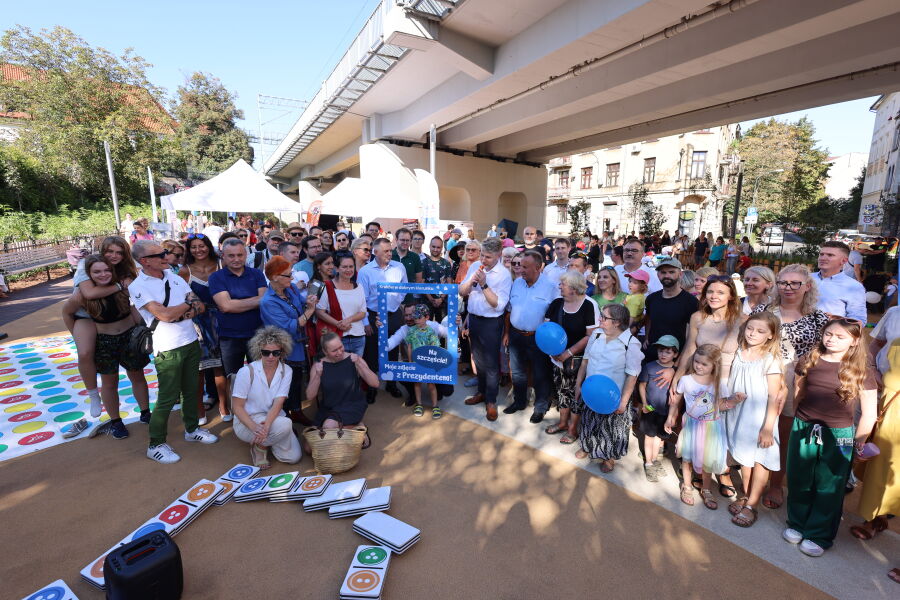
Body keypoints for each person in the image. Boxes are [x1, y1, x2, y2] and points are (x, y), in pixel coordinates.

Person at [784, 318, 877, 556]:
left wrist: (859, 443)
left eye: (840, 337)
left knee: (830, 485)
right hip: (804, 427)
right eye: (829, 334)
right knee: (799, 477)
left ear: (855, 341)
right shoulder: (809, 359)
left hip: (840, 435)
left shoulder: (861, 372)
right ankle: (797, 523)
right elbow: (798, 391)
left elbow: (869, 414)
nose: (832, 339)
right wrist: (799, 419)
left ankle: (819, 534)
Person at [130, 240, 218, 464]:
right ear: (144, 261)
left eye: (165, 252)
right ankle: (155, 444)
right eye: (160, 253)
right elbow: (166, 315)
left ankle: (191, 429)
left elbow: (200, 306)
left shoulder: (175, 277)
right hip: (167, 348)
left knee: (191, 390)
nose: (166, 255)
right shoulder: (138, 286)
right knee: (167, 398)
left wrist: (176, 312)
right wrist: (183, 308)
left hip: (190, 341)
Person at [671, 274, 746, 498]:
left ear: (731, 295)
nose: (714, 296)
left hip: (727, 383)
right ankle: (696, 470)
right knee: (700, 430)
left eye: (720, 292)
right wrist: (678, 375)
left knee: (724, 433)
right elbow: (690, 349)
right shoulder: (697, 317)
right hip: (701, 383)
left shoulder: (743, 320)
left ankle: (722, 473)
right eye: (710, 291)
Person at [61, 255, 151, 439]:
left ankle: (145, 412)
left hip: (128, 338)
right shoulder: (83, 295)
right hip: (105, 341)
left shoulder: (123, 287)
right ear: (88, 274)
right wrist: (75, 334)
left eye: (107, 270)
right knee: (110, 383)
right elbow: (67, 312)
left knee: (138, 376)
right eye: (97, 272)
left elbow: (136, 307)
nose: (103, 274)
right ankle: (116, 421)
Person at [724, 312, 784, 527]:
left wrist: (768, 427)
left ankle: (752, 505)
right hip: (739, 413)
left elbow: (774, 396)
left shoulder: (770, 359)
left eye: (760, 331)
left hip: (759, 417)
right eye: (750, 328)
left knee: (759, 459)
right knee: (745, 458)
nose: (753, 334)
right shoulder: (739, 352)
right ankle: (746, 496)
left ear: (771, 335)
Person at [68, 236, 138, 419]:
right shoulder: (88, 264)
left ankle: (143, 410)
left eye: (119, 252)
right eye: (110, 251)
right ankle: (93, 394)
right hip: (86, 316)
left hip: (113, 318)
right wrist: (119, 286)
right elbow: (89, 294)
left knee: (134, 367)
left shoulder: (124, 270)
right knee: (84, 352)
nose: (114, 256)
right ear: (102, 251)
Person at [574, 303, 642, 472]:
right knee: (589, 420)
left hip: (613, 395)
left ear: (617, 322)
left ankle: (609, 456)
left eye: (604, 317)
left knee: (611, 427)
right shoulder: (596, 334)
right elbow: (585, 361)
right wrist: (578, 384)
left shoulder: (630, 344)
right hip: (591, 391)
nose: (600, 319)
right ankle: (587, 446)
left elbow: (632, 376)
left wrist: (623, 402)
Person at [665, 344, 729, 508]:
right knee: (687, 457)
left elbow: (720, 405)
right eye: (697, 362)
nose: (699, 366)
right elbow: (676, 400)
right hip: (692, 425)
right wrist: (670, 417)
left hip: (710, 428)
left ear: (714, 365)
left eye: (704, 364)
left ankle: (706, 489)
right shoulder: (686, 380)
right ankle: (687, 486)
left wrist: (734, 401)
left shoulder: (718, 383)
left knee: (707, 460)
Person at [231, 325, 302, 468]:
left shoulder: (286, 370)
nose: (270, 357)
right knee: (286, 424)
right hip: (247, 420)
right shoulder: (246, 372)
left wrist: (267, 426)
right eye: (266, 352)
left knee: (293, 458)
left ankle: (267, 441)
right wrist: (254, 428)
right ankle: (260, 448)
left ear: (282, 352)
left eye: (276, 353)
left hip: (274, 418)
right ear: (259, 351)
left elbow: (279, 402)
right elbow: (236, 407)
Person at [179, 233, 231, 424]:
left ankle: (224, 405)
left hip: (223, 319)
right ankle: (200, 410)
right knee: (198, 369)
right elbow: (180, 297)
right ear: (189, 250)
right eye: (194, 247)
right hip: (197, 323)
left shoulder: (221, 264)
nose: (198, 250)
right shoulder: (185, 271)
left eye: (202, 246)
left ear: (208, 246)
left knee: (220, 367)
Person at [851, 337, 900, 541]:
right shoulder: (897, 344)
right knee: (880, 475)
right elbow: (872, 353)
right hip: (889, 424)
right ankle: (874, 518)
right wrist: (873, 373)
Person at [259, 256, 318, 425]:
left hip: (299, 344)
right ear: (275, 277)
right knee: (284, 385)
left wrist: (309, 300)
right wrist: (310, 311)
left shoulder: (290, 288)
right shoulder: (268, 301)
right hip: (284, 349)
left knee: (297, 380)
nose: (292, 278)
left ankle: (296, 411)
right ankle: (283, 417)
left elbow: (301, 301)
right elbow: (291, 326)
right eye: (288, 275)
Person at [460, 237, 513, 422]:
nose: (483, 260)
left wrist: (483, 285)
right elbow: (462, 291)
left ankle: (491, 401)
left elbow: (498, 305)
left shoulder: (504, 275)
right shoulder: (475, 267)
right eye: (482, 255)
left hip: (491, 323)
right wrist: (471, 282)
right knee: (479, 361)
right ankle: (481, 392)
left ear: (499, 255)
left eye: (488, 257)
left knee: (491, 365)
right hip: (474, 319)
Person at [504, 250, 558, 421]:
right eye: (519, 266)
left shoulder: (551, 287)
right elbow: (509, 311)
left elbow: (555, 317)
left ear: (537, 268)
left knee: (540, 373)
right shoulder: (517, 283)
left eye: (525, 267)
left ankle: (540, 407)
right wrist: (506, 333)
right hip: (516, 335)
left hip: (538, 338)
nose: (520, 270)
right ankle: (519, 401)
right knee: (518, 372)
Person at [306, 332, 378, 448]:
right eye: (334, 350)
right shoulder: (319, 366)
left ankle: (353, 426)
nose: (339, 352)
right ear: (325, 352)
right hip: (329, 407)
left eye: (341, 347)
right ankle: (356, 427)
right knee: (309, 448)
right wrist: (318, 375)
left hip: (352, 404)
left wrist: (359, 363)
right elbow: (310, 396)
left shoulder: (353, 359)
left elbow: (375, 383)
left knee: (329, 427)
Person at [358, 237, 408, 401]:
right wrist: (366, 322)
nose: (390, 253)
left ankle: (391, 384)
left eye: (390, 250)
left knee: (392, 350)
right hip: (373, 316)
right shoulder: (365, 271)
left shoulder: (399, 267)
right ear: (376, 252)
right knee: (371, 352)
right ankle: (373, 387)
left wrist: (396, 303)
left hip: (393, 315)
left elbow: (404, 288)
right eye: (386, 251)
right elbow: (362, 300)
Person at [209, 238, 268, 376]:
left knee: (260, 377)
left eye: (240, 255)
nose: (236, 259)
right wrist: (255, 300)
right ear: (223, 256)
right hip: (229, 337)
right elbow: (225, 306)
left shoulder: (257, 274)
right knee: (233, 379)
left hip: (257, 335)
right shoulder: (216, 277)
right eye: (231, 255)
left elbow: (264, 300)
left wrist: (234, 303)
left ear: (246, 254)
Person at [637, 335, 679, 482]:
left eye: (668, 352)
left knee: (658, 437)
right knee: (649, 437)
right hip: (650, 409)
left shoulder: (677, 371)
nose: (663, 354)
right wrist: (644, 404)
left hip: (666, 411)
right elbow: (642, 385)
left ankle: (654, 460)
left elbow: (678, 394)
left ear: (675, 354)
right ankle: (648, 463)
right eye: (661, 350)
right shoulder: (649, 366)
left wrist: (673, 414)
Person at [644, 257, 698, 363]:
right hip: (652, 355)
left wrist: (679, 362)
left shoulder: (691, 302)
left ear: (680, 274)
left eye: (671, 272)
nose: (667, 275)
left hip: (675, 358)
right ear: (658, 275)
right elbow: (648, 318)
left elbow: (692, 335)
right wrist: (646, 337)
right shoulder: (652, 298)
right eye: (663, 272)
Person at [315, 253, 368, 357]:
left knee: (356, 371)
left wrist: (347, 320)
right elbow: (319, 311)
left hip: (358, 337)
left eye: (351, 266)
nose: (348, 270)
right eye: (344, 267)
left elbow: (362, 312)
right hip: (336, 338)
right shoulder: (327, 286)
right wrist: (338, 324)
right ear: (337, 268)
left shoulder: (359, 287)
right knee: (339, 370)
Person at [813, 241, 867, 323]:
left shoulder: (854, 287)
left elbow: (858, 319)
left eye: (830, 255)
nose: (823, 258)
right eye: (821, 254)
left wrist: (836, 327)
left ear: (844, 261)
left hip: (829, 334)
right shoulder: (804, 278)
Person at [422, 236, 453, 323]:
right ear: (429, 246)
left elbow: (449, 283)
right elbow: (422, 284)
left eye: (438, 247)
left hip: (442, 302)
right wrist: (431, 299)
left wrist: (441, 299)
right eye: (433, 246)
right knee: (426, 328)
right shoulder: (423, 262)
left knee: (442, 328)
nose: (435, 249)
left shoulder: (446, 263)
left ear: (441, 248)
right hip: (427, 301)